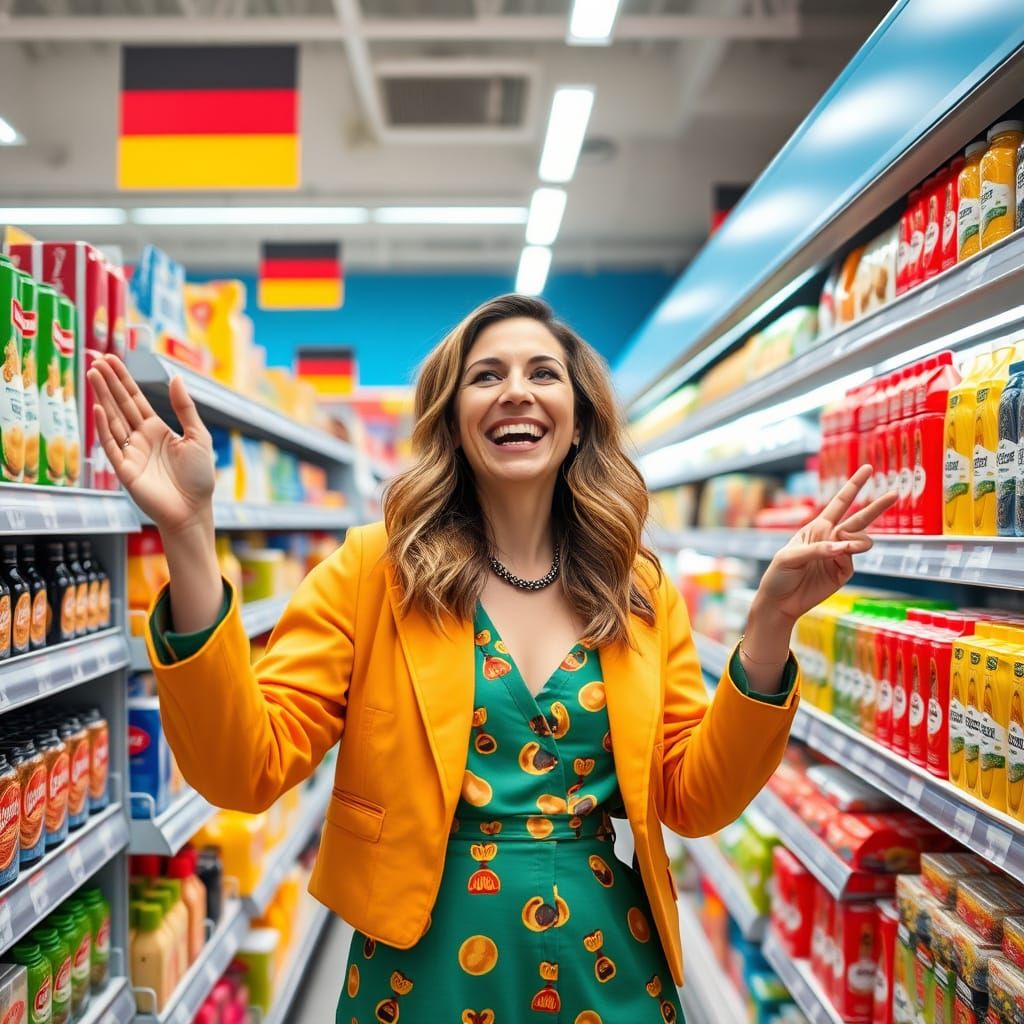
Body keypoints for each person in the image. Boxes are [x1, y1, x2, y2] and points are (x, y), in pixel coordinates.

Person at [88, 294, 895, 1022]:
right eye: (487, 376)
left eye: (543, 372)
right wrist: (189, 537)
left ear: (577, 417)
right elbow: (242, 769)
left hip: (605, 971)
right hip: (421, 975)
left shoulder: (639, 589)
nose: (516, 390)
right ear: (452, 418)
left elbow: (694, 798)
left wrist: (770, 626)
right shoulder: (374, 572)